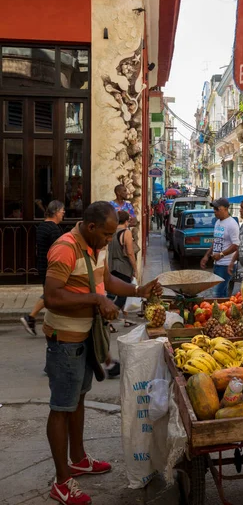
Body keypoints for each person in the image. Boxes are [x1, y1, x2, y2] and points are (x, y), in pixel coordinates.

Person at [43, 201, 162, 505]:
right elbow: (52, 296)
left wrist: (138, 291)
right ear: (91, 227)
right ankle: (61, 481)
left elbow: (106, 280)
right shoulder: (64, 248)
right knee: (61, 407)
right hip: (65, 339)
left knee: (78, 398)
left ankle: (79, 458)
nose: (111, 239)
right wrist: (97, 300)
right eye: (107, 235)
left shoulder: (99, 246)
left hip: (86, 338)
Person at [20, 200, 65, 336]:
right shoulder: (53, 229)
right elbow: (58, 250)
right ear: (56, 212)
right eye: (62, 211)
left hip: (43, 265)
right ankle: (34, 319)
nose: (63, 214)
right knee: (53, 295)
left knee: (51, 294)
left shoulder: (42, 226)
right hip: (51, 267)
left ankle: (34, 319)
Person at [106, 210, 139, 332]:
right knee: (122, 296)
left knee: (111, 295)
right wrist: (135, 269)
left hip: (112, 266)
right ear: (126, 221)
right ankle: (107, 321)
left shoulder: (112, 232)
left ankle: (126, 320)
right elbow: (130, 253)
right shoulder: (126, 233)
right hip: (123, 268)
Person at [200, 198, 239, 298]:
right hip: (217, 264)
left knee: (217, 293)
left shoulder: (232, 224)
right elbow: (216, 241)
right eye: (214, 209)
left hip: (226, 265)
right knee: (222, 293)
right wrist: (206, 256)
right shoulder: (218, 223)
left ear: (226, 208)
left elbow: (236, 245)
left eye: (217, 209)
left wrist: (221, 255)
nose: (215, 211)